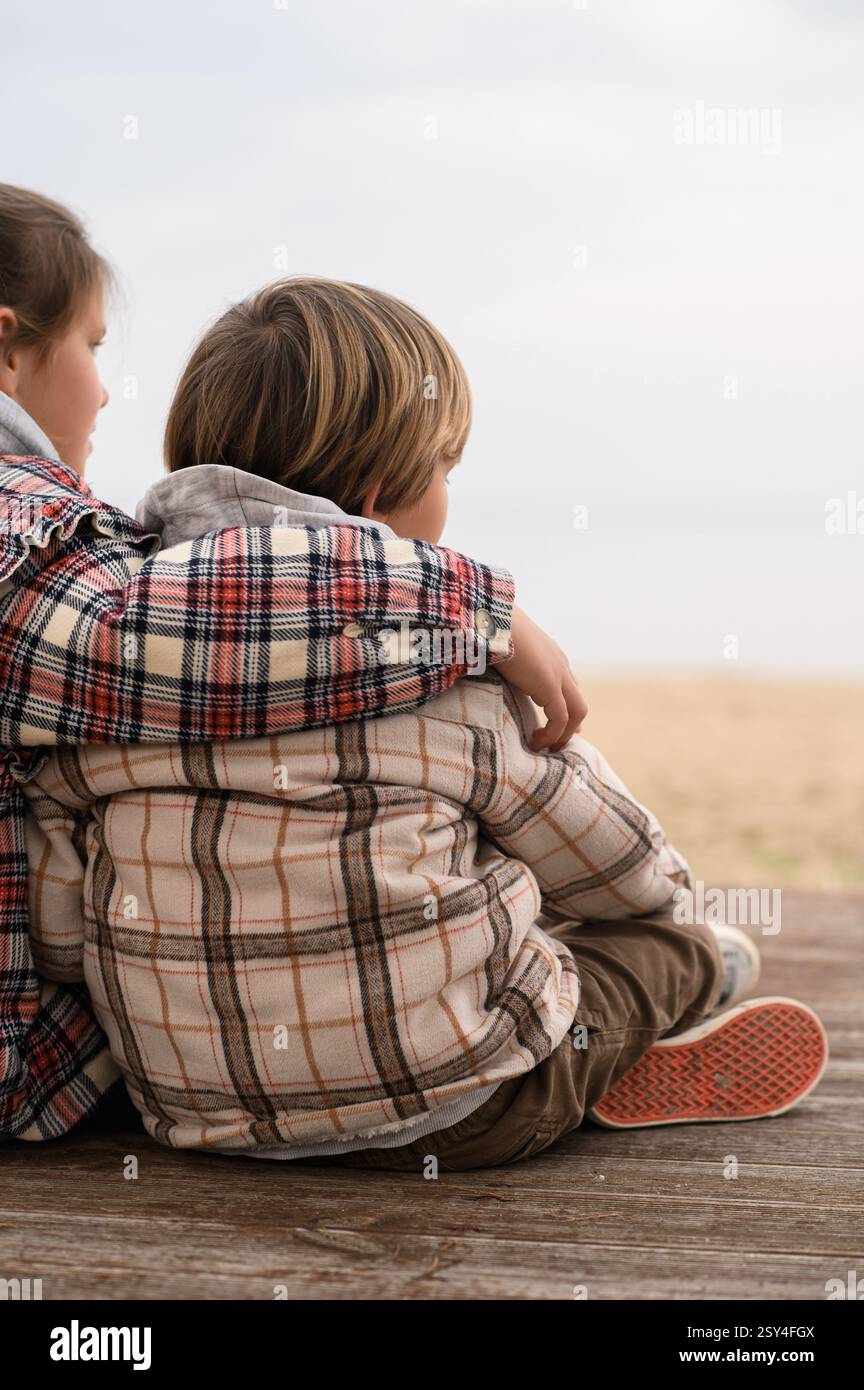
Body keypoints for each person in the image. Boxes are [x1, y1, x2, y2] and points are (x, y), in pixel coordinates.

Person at [20, 276, 828, 1168]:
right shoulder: (451, 680)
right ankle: (665, 1012)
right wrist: (664, 914)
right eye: (445, 468)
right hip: (460, 1110)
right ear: (375, 497)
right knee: (662, 941)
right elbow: (621, 872)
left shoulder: (109, 689)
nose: (448, 492)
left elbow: (59, 933)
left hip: (197, 1115)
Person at [0, 184, 583, 1141]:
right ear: (11, 347)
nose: (105, 389)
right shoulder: (23, 532)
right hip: (40, 1065)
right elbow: (142, 638)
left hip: (163, 1086)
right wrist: (479, 613)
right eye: (92, 346)